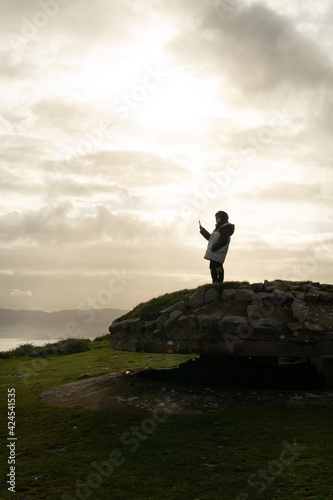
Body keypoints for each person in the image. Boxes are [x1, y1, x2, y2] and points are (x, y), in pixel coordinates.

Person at [199, 211, 235, 283]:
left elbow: (224, 241)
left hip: (218, 252)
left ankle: (220, 282)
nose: (216, 219)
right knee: (212, 267)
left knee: (218, 267)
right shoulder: (218, 228)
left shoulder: (225, 228)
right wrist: (203, 231)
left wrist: (214, 247)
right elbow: (211, 239)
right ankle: (215, 281)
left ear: (222, 218)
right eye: (216, 218)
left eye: (218, 217)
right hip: (214, 252)